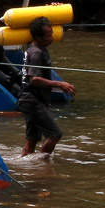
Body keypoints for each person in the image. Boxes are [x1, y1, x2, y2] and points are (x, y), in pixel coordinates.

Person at [18, 16, 76, 156]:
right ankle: (42, 165)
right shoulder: (36, 52)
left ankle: (27, 166)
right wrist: (60, 84)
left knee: (32, 139)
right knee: (55, 134)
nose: (52, 38)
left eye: (52, 34)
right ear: (38, 37)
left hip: (32, 99)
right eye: (48, 35)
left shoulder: (37, 48)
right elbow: (34, 79)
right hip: (32, 100)